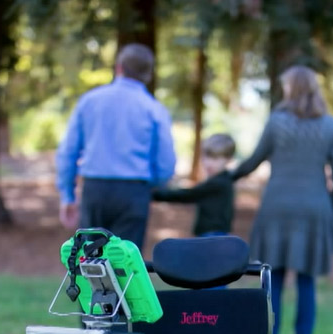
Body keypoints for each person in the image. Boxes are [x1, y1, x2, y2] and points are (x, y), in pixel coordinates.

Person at [231, 65, 333, 334]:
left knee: (275, 282)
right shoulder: (331, 126)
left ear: (291, 88)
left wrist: (227, 177)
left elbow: (254, 160)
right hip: (315, 208)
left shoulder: (277, 122)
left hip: (277, 209)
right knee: (307, 282)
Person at [56, 43, 176, 251]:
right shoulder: (154, 109)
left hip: (95, 189)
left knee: (91, 263)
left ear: (119, 67)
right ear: (148, 74)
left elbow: (68, 151)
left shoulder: (89, 101)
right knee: (125, 265)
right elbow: (166, 164)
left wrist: (68, 194)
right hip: (133, 191)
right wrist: (151, 184)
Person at [152, 133, 236, 238]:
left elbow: (189, 194)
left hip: (212, 235)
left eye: (215, 159)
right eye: (206, 157)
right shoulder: (224, 179)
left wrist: (156, 194)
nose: (209, 163)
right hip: (213, 233)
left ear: (228, 159)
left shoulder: (218, 183)